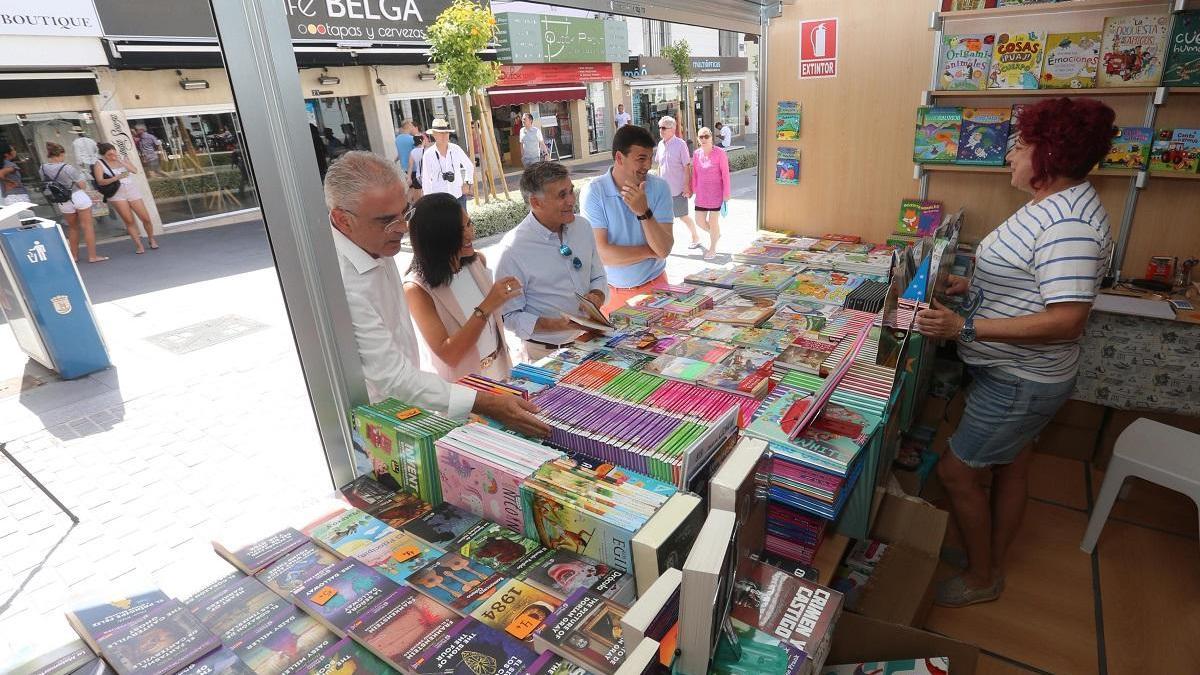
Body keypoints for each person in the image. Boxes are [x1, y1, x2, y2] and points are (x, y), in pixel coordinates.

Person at [914, 97, 1115, 608]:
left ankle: (984, 578)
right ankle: (993, 555)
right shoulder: (1052, 202)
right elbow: (1030, 279)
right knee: (1014, 465)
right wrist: (971, 285)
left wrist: (967, 325)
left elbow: (1067, 319)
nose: (1010, 154)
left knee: (957, 472)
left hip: (1021, 379)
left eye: (1021, 145)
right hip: (1015, 372)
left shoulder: (1068, 223)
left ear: (1049, 154)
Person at [325, 150, 548, 437]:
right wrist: (486, 403)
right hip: (377, 419)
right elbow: (393, 376)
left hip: (411, 402)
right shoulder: (343, 282)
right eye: (386, 221)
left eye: (404, 213)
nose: (403, 228)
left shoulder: (376, 243)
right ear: (343, 220)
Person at [496, 161, 608, 360]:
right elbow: (510, 316)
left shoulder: (582, 227)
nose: (571, 201)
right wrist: (556, 325)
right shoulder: (513, 250)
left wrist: (597, 296)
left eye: (571, 191)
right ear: (536, 203)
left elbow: (598, 275)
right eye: (561, 195)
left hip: (590, 341)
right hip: (545, 353)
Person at [403, 192, 518, 381]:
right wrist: (487, 306)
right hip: (464, 388)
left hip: (501, 372)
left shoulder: (477, 261)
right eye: (459, 230)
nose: (469, 234)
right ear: (437, 237)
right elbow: (449, 354)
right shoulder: (416, 289)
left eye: (469, 224)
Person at [580, 125, 674, 313]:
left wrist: (643, 211)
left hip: (656, 288)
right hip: (611, 294)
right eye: (641, 159)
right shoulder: (594, 192)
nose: (648, 165)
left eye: (650, 158)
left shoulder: (660, 187)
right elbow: (602, 255)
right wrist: (650, 251)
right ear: (619, 158)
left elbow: (663, 249)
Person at [41, 142, 106, 263]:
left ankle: (74, 256)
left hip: (63, 201)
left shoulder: (43, 168)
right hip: (77, 196)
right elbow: (82, 185)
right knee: (87, 227)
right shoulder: (67, 167)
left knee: (72, 228)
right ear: (61, 154)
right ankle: (92, 256)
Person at [92, 143, 160, 254]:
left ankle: (151, 239)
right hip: (117, 194)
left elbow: (134, 170)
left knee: (145, 218)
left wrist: (120, 161)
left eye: (114, 152)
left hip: (132, 190)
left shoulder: (122, 159)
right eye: (109, 154)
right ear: (104, 155)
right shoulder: (99, 164)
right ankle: (139, 245)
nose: (113, 156)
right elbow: (100, 181)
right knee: (129, 221)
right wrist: (116, 178)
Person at [653, 116, 699, 252]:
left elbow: (686, 166)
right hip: (663, 190)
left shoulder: (680, 144)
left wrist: (686, 186)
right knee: (661, 217)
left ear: (672, 129)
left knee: (682, 216)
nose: (660, 130)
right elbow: (659, 166)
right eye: (659, 127)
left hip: (677, 188)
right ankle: (663, 242)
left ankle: (695, 236)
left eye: (663, 128)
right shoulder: (660, 144)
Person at [691, 127, 730, 260]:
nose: (703, 139)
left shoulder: (720, 153)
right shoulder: (696, 154)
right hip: (702, 194)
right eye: (701, 137)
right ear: (697, 139)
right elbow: (694, 174)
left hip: (716, 194)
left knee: (713, 222)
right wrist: (694, 189)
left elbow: (725, 175)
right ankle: (715, 234)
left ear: (711, 137)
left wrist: (726, 193)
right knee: (699, 221)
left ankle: (712, 248)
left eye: (706, 136)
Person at [421, 119, 474, 210]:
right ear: (434, 135)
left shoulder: (456, 149)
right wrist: (428, 201)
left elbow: (469, 166)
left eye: (446, 133)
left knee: (462, 223)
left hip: (458, 196)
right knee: (443, 224)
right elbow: (426, 179)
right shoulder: (428, 154)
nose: (444, 136)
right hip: (439, 200)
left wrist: (467, 182)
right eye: (441, 133)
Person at [408, 133, 429, 201]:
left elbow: (410, 166)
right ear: (422, 141)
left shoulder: (412, 152)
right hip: (427, 176)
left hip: (418, 176)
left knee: (418, 198)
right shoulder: (427, 151)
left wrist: (409, 178)